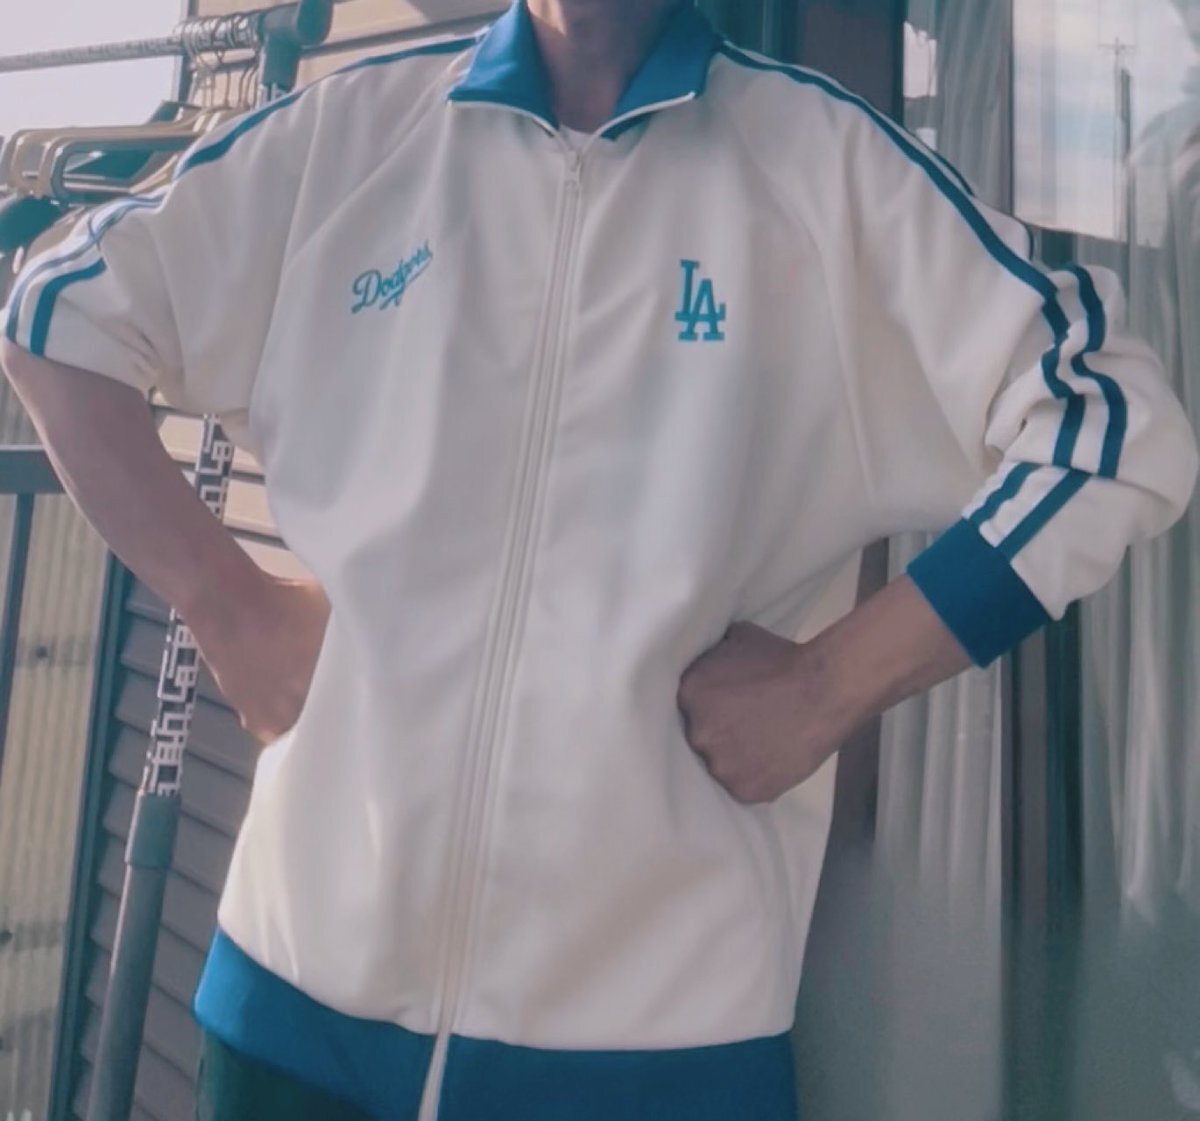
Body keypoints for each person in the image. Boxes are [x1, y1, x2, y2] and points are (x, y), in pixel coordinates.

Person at [1, 1, 1196, 1118]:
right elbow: (58, 313)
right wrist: (228, 604)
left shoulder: (829, 168)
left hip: (658, 1056)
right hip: (288, 1010)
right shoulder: (351, 135)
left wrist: (832, 682)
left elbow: (1112, 427)